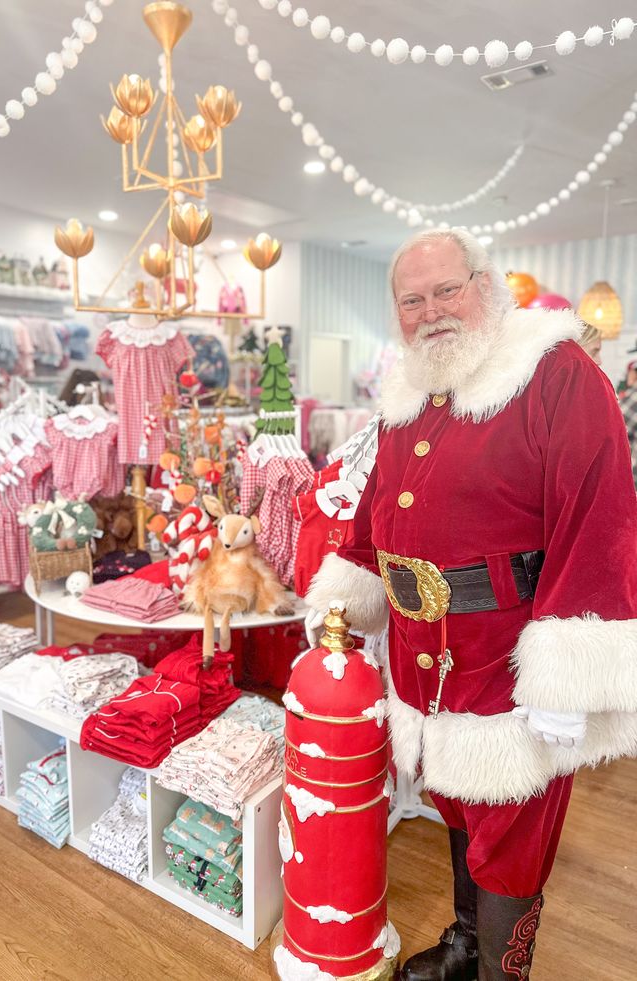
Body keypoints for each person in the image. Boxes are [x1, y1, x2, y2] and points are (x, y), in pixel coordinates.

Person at [305, 228, 637, 981]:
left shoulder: (556, 373)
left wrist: (568, 677)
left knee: (510, 832)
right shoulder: (408, 395)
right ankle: (465, 943)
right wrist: (346, 602)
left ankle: (501, 973)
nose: (430, 312)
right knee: (456, 801)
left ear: (486, 286)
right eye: (411, 299)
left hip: (509, 659)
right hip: (427, 660)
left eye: (446, 289)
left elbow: (600, 519)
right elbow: (375, 513)